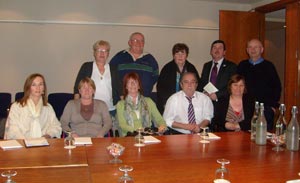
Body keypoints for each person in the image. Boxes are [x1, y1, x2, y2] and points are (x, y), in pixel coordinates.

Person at [237, 38, 281, 131]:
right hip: (245, 108)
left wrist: (272, 106)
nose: (253, 50)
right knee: (245, 137)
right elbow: (236, 85)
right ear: (247, 50)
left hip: (265, 109)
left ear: (262, 49)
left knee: (264, 137)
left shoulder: (269, 66)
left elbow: (277, 87)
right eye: (250, 47)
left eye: (256, 47)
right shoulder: (242, 65)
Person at [5, 73, 62, 139]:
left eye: (40, 84)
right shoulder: (17, 106)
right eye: (34, 85)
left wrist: (48, 135)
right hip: (22, 144)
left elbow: (56, 126)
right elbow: (13, 130)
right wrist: (27, 141)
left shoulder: (48, 107)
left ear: (44, 88)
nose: (38, 88)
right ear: (28, 88)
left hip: (43, 144)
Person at [73, 40, 121, 115]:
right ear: (94, 53)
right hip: (90, 109)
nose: (102, 53)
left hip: (110, 109)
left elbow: (120, 90)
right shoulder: (86, 67)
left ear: (108, 54)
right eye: (99, 50)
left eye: (105, 51)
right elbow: (77, 88)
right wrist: (76, 108)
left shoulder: (113, 69)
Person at [116, 72, 167, 137]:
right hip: (129, 136)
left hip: (147, 136)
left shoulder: (148, 101)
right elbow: (123, 125)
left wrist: (162, 127)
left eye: (135, 82)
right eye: (129, 82)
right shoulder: (120, 104)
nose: (132, 84)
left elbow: (160, 119)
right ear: (126, 86)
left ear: (139, 86)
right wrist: (139, 130)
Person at [110, 32, 159, 97]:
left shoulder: (150, 59)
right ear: (129, 42)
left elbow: (155, 77)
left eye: (142, 41)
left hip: (143, 99)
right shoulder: (119, 57)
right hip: (122, 99)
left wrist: (146, 89)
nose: (139, 43)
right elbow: (111, 75)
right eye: (135, 40)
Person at [157, 43, 201, 114]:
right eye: (177, 53)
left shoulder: (191, 68)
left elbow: (198, 85)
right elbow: (161, 88)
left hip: (189, 103)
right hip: (171, 103)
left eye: (183, 53)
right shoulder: (167, 68)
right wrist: (167, 103)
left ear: (186, 55)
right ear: (174, 55)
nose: (180, 56)